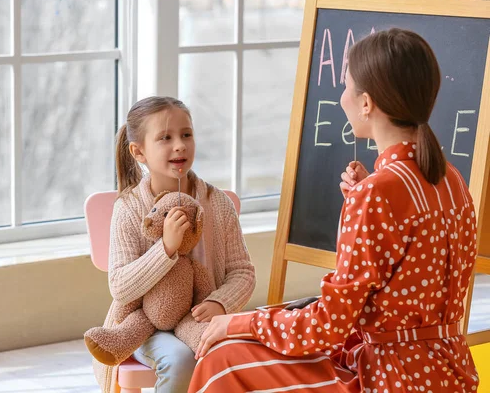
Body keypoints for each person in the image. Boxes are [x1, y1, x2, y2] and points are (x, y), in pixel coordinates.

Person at [189, 29, 479, 392]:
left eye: (346, 87)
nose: (342, 97)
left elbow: (327, 326)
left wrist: (238, 323)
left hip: (389, 379)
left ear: (367, 103)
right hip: (450, 372)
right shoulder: (450, 177)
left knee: (223, 357)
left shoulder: (379, 193)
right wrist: (364, 198)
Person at [92, 96, 256, 393]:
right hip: (144, 326)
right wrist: (165, 249)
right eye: (165, 138)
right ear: (138, 151)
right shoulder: (128, 208)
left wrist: (220, 302)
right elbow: (119, 286)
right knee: (180, 360)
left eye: (186, 135)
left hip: (199, 321)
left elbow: (242, 272)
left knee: (234, 353)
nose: (179, 145)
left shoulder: (217, 203)